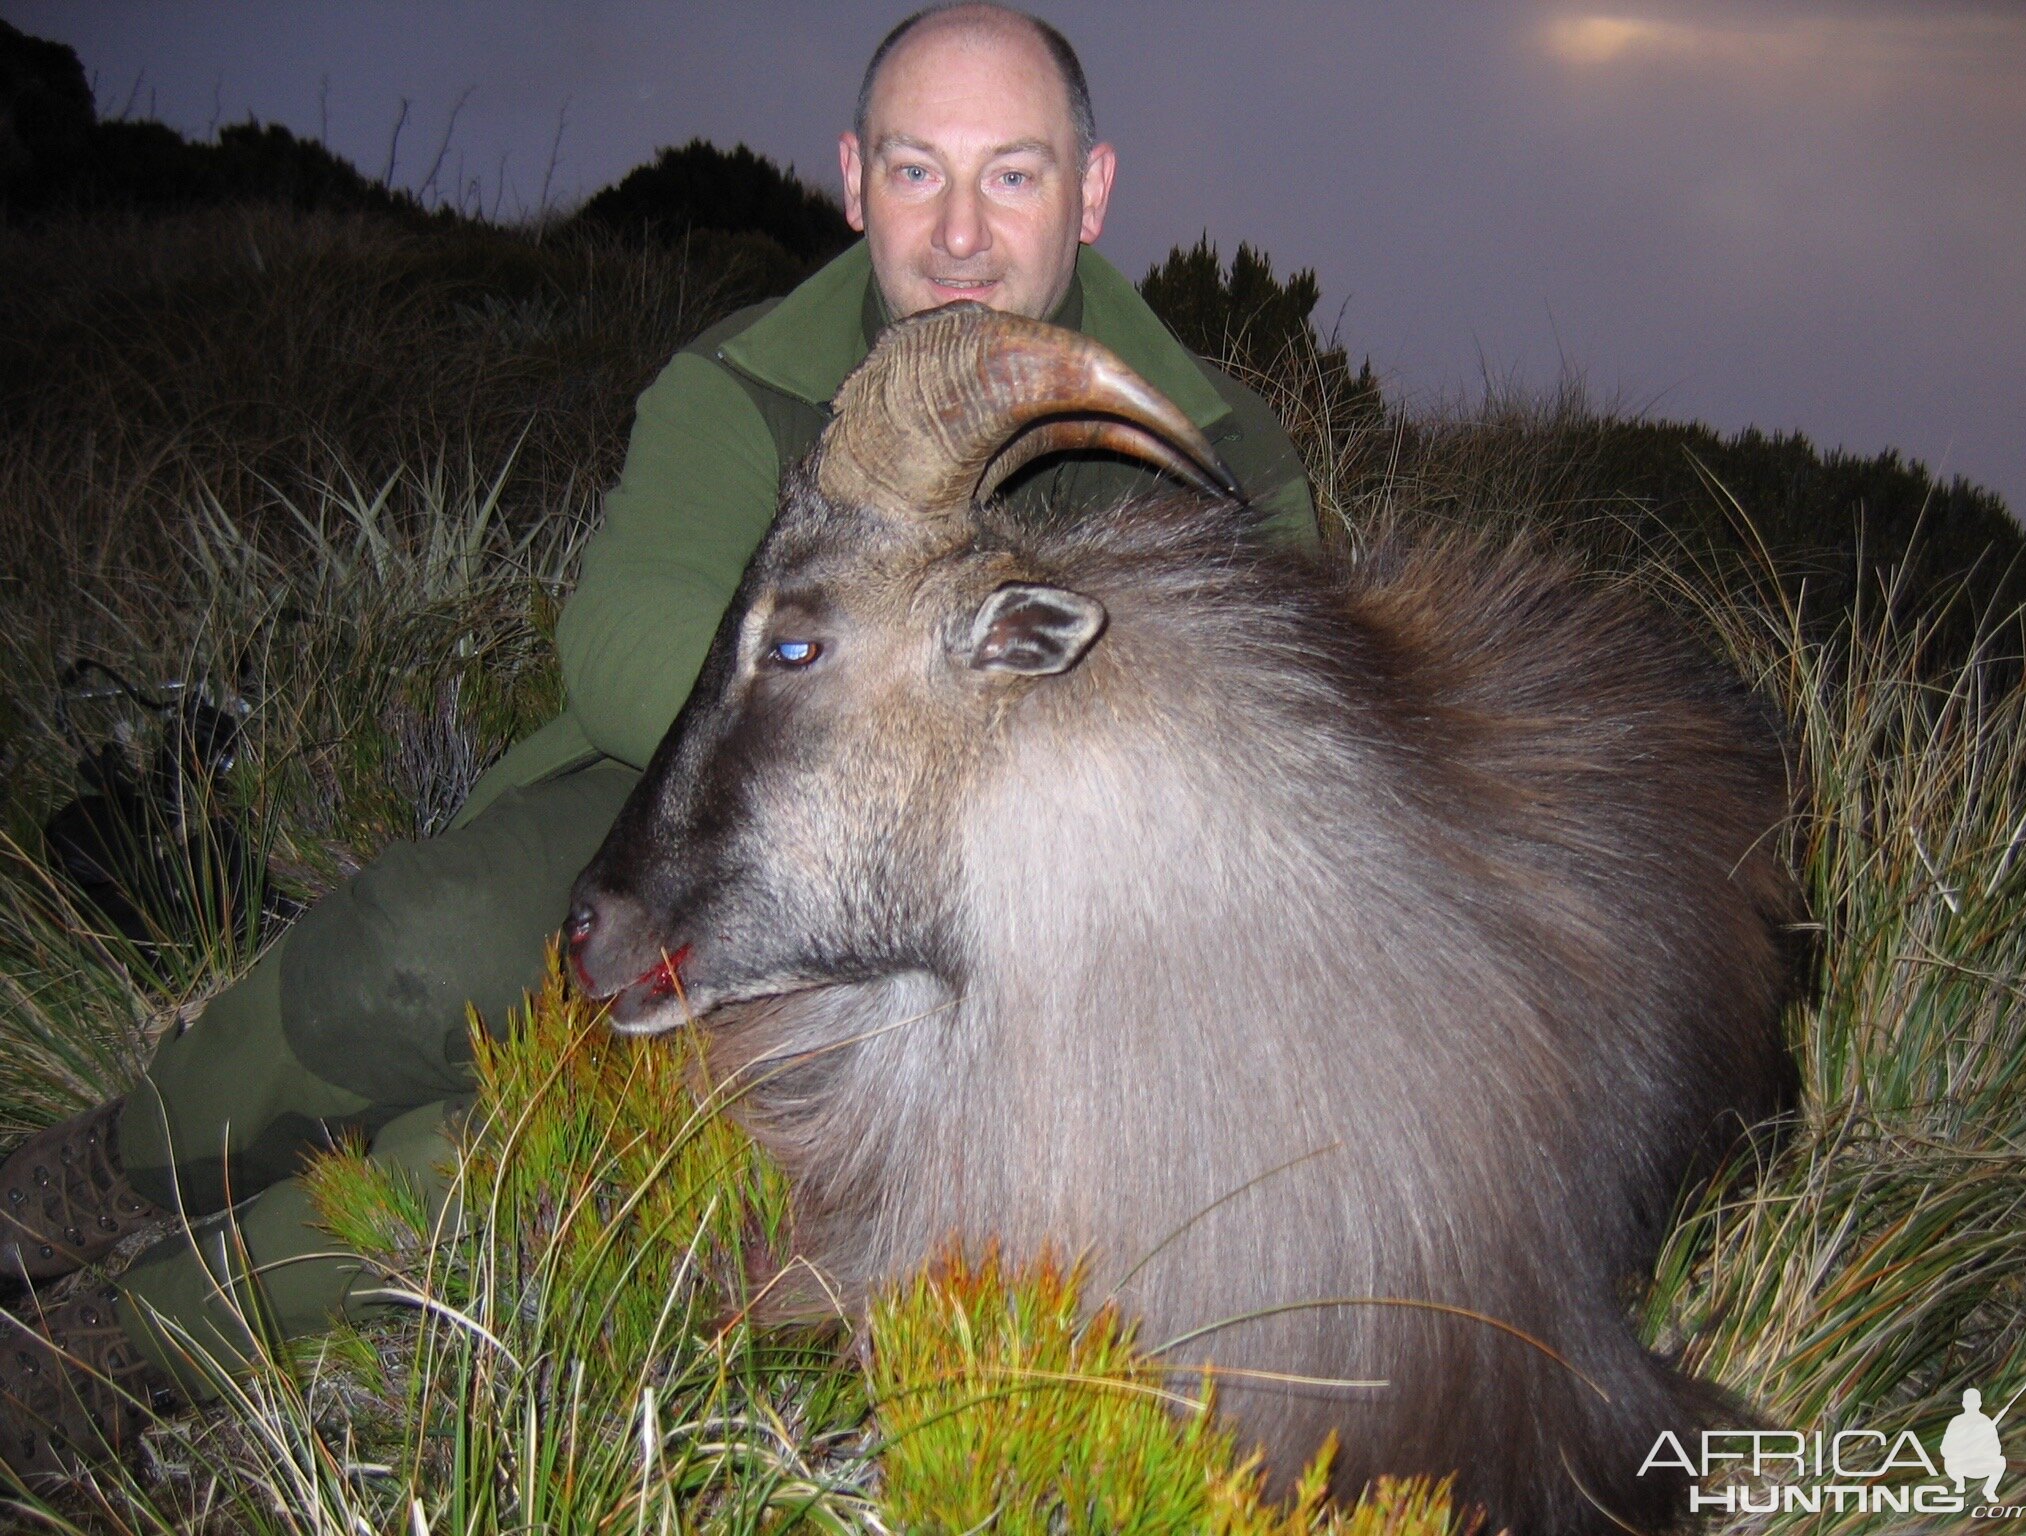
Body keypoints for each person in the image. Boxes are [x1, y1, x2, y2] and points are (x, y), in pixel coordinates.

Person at [0, 1, 1314, 1487]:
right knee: (408, 955)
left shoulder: (1219, 464)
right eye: (914, 170)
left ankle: (114, 1354)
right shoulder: (745, 377)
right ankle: (88, 1181)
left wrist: (916, 809)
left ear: (1090, 191)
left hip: (991, 963)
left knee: (543, 1149)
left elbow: (1238, 800)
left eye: (1011, 176)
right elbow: (625, 644)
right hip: (669, 791)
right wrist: (848, 698)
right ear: (850, 178)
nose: (957, 232)